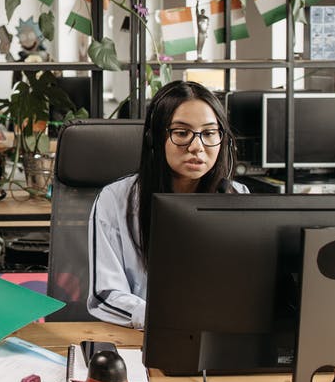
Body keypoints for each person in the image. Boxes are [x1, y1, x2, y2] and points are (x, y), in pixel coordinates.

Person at [87, 80, 246, 329]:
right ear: (155, 138)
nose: (197, 147)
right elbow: (105, 295)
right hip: (143, 337)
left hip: (220, 335)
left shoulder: (237, 196)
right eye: (181, 133)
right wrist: (166, 318)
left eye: (208, 133)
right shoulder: (116, 200)